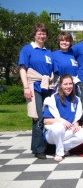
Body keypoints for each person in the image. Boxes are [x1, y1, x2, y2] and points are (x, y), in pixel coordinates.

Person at [18, 22, 54, 159]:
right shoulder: (27, 49)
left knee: (48, 117)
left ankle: (46, 144)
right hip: (34, 86)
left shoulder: (48, 52)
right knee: (38, 117)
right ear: (34, 34)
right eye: (39, 33)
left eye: (44, 33)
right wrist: (26, 87)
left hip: (47, 88)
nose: (42, 35)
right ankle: (38, 149)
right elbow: (23, 69)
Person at [43, 74, 83, 162]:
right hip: (52, 134)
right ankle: (59, 153)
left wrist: (76, 124)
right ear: (60, 85)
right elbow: (46, 121)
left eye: (70, 84)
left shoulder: (76, 100)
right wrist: (60, 120)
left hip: (68, 132)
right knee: (59, 126)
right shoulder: (53, 99)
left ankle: (63, 148)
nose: (68, 86)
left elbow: (75, 119)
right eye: (65, 84)